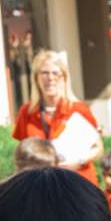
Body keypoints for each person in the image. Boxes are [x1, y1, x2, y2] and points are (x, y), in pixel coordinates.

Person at [13, 50, 104, 187]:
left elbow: (98, 148)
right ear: (36, 78)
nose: (50, 78)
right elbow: (22, 154)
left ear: (64, 77)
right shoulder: (27, 112)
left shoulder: (78, 109)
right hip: (42, 187)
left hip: (78, 183)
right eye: (44, 73)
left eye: (56, 73)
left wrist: (78, 162)